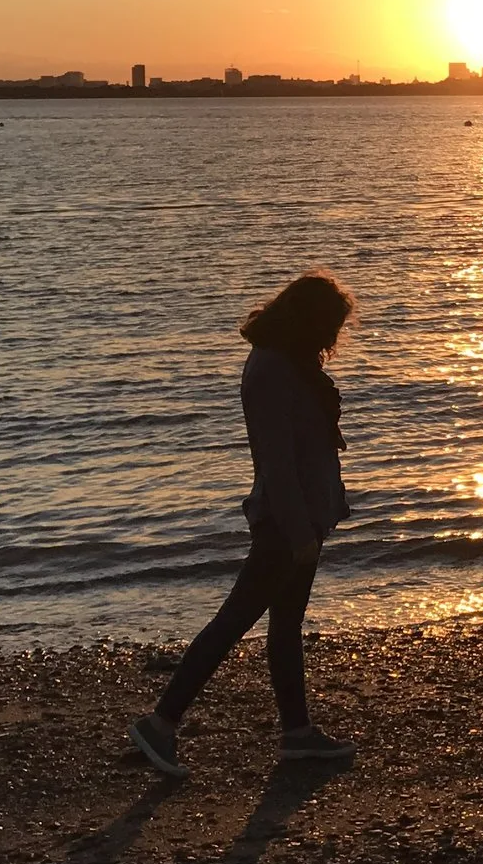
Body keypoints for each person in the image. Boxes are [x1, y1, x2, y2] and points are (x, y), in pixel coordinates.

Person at [129, 273, 359, 778]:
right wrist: (299, 532)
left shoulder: (293, 362)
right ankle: (161, 723)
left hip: (304, 519)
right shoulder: (272, 370)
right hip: (285, 522)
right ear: (309, 321)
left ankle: (297, 733)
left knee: (284, 626)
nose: (333, 341)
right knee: (234, 622)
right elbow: (276, 462)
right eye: (331, 328)